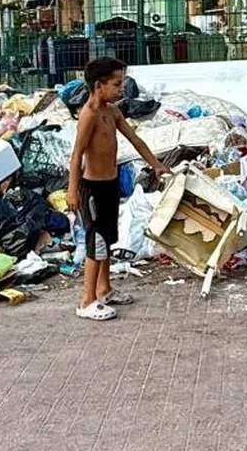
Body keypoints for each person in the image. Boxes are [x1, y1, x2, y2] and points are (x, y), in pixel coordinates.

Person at [68, 57, 170, 321]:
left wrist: (156, 165)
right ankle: (87, 300)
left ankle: (104, 289)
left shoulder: (112, 112)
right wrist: (72, 191)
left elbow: (135, 140)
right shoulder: (89, 115)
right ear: (98, 86)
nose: (121, 89)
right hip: (92, 188)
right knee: (96, 243)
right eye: (116, 84)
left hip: (110, 186)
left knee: (108, 239)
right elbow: (77, 154)